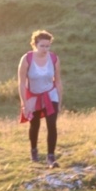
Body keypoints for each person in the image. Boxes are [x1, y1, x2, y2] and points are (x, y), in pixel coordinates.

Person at [18, 30, 63, 168]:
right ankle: (34, 150)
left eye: (47, 46)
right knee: (35, 124)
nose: (45, 49)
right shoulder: (27, 59)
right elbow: (21, 82)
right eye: (42, 46)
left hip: (50, 95)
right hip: (33, 95)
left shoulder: (54, 59)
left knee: (52, 125)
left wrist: (60, 101)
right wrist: (24, 103)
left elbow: (58, 81)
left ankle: (51, 156)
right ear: (35, 45)